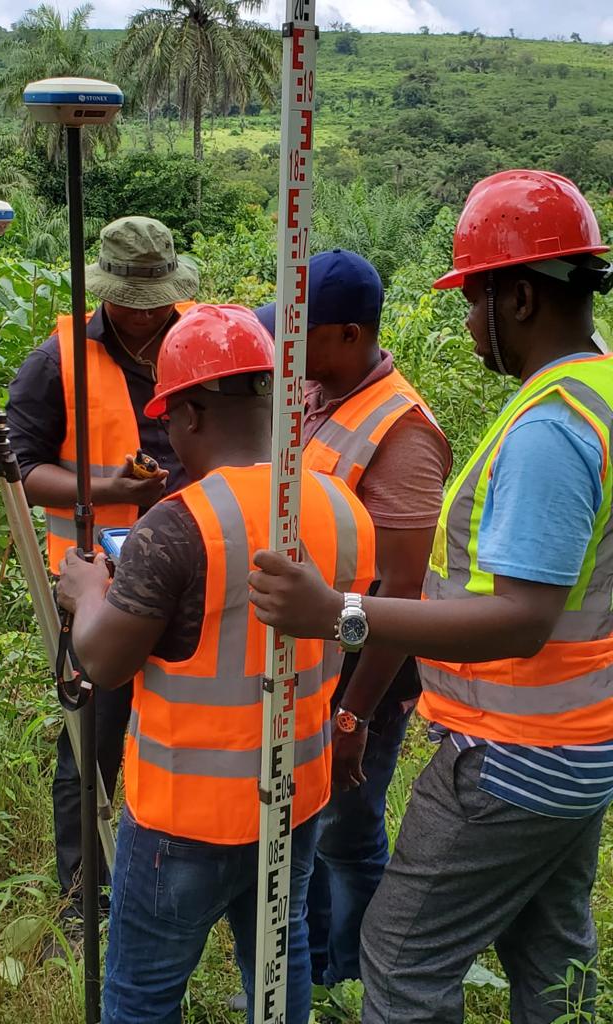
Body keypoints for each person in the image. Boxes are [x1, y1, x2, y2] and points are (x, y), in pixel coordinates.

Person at [248, 169, 613, 1024]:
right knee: (554, 959)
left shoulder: (551, 429)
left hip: (511, 755)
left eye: (471, 298)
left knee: (400, 959)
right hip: (580, 742)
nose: (465, 322)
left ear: (517, 299)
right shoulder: (596, 392)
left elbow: (522, 618)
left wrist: (336, 612)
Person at [56, 304, 376, 1024]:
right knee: (276, 962)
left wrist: (87, 592)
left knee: (141, 996)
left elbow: (104, 663)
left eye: (169, 418)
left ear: (190, 413)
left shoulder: (176, 524)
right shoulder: (340, 504)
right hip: (295, 796)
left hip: (181, 822)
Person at [255, 249, 451, 987]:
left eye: (298, 333)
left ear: (345, 334)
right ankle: (326, 965)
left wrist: (352, 718)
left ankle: (360, 974)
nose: (285, 348)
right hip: (314, 664)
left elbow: (404, 597)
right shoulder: (317, 393)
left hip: (360, 680)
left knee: (348, 827)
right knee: (314, 823)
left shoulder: (402, 434)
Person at [6, 216, 199, 923]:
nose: (147, 315)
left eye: (158, 299)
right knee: (89, 745)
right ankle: (82, 900)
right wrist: (106, 492)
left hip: (198, 571)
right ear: (103, 291)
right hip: (100, 584)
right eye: (131, 300)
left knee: (197, 730)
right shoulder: (57, 359)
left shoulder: (201, 337)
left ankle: (179, 888)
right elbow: (18, 469)